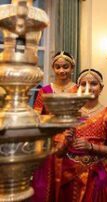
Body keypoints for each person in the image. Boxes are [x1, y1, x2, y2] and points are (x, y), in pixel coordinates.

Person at [54, 68, 107, 201]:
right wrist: (66, 139)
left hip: (96, 175)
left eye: (93, 83)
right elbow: (58, 153)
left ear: (101, 88)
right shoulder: (69, 114)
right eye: (83, 84)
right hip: (70, 175)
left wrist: (90, 147)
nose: (88, 87)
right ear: (78, 88)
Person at [31, 51, 78, 202]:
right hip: (51, 144)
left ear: (72, 68)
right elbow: (36, 118)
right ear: (53, 68)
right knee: (47, 186)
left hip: (73, 142)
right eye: (57, 67)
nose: (62, 70)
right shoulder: (44, 91)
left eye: (65, 67)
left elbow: (86, 115)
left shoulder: (79, 90)